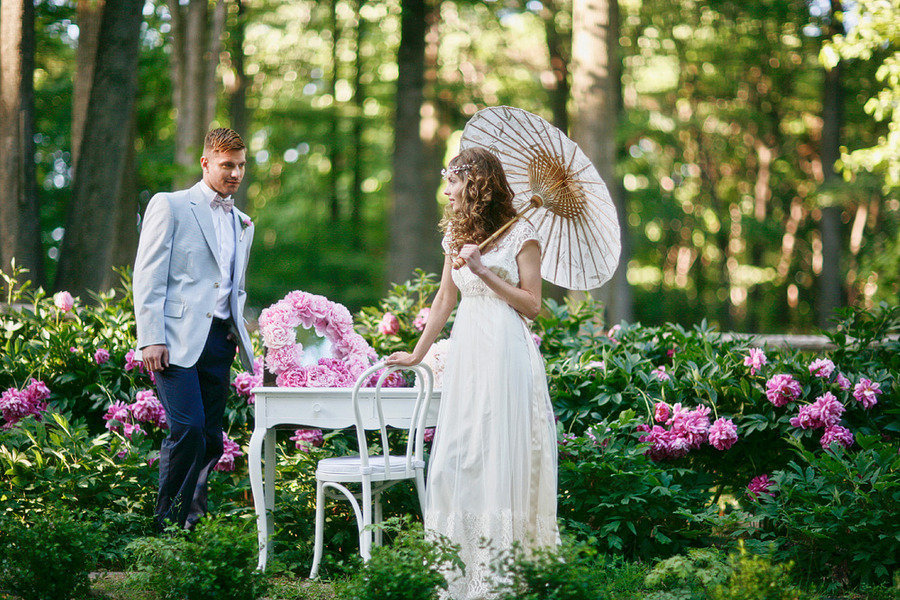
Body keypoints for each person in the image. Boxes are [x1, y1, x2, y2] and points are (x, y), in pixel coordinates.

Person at [387, 147, 558, 599]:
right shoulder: (456, 236)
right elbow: (444, 300)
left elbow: (532, 306)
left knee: (500, 451)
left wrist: (483, 270)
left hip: (505, 351)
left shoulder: (523, 233)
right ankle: (458, 573)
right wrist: (418, 353)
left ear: (476, 185)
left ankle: (503, 576)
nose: (447, 191)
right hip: (467, 353)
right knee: (458, 455)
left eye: (453, 182)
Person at [133, 127, 255, 531]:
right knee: (186, 429)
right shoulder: (171, 205)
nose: (235, 173)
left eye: (240, 165)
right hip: (173, 342)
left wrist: (243, 337)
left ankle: (192, 522)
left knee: (213, 440)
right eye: (226, 165)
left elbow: (233, 288)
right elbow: (148, 274)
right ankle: (165, 528)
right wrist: (150, 336)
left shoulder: (243, 222)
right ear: (205, 163)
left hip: (220, 344)